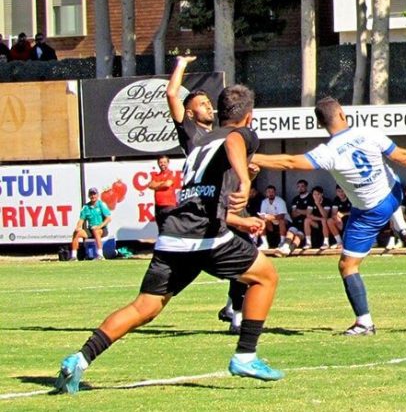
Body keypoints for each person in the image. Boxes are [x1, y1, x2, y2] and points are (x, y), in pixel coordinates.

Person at [53, 85, 284, 394]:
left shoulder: (201, 143)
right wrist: (244, 178)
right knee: (265, 277)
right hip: (204, 237)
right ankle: (245, 355)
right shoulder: (239, 134)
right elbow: (234, 141)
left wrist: (242, 198)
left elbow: (204, 195)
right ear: (249, 116)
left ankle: (79, 360)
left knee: (143, 308)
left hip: (175, 235)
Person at [252, 96, 406, 336]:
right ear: (342, 114)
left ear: (320, 123)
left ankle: (364, 322)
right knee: (388, 173)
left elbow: (288, 162)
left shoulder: (327, 152)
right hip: (393, 192)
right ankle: (398, 220)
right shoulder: (368, 132)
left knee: (347, 266)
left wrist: (250, 157)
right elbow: (402, 155)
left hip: (371, 210)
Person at [167, 55, 247, 330]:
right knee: (243, 253)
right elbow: (171, 94)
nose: (208, 107)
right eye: (202, 104)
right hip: (207, 204)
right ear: (190, 114)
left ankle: (232, 307)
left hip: (227, 198)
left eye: (209, 103)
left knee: (246, 249)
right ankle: (236, 313)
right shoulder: (190, 132)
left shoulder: (221, 134)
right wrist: (180, 65)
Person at [67, 188, 112, 261]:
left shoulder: (101, 204)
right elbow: (81, 219)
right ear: (88, 196)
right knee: (76, 233)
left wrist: (99, 226)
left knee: (96, 231)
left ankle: (100, 255)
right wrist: (78, 227)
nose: (93, 196)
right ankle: (74, 256)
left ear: (97, 195)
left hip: (102, 229)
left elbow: (108, 218)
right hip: (91, 229)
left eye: (94, 194)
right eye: (91, 194)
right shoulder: (86, 207)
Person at [327, 186, 351, 250]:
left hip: (350, 220)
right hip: (340, 221)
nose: (341, 193)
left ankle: (346, 243)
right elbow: (333, 213)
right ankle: (339, 241)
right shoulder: (336, 200)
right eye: (339, 191)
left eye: (342, 191)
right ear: (336, 192)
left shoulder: (350, 198)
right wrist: (336, 217)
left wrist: (344, 214)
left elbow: (355, 212)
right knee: (329, 221)